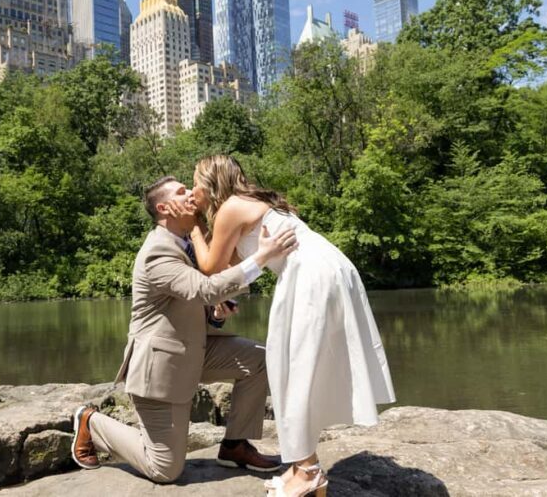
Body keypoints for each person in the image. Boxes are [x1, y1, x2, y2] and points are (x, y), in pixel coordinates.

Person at [182, 155, 396, 497]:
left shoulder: (231, 208)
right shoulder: (252, 202)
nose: (192, 188)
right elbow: (234, 266)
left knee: (293, 369)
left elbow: (209, 267)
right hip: (326, 267)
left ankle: (308, 471)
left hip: (308, 276)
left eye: (194, 180)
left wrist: (193, 223)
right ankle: (302, 466)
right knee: (297, 367)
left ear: (209, 182)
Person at [71, 176, 299, 484]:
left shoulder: (190, 243)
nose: (192, 194)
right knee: (165, 470)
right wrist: (262, 256)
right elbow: (205, 289)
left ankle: (235, 445)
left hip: (194, 349)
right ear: (165, 208)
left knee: (260, 360)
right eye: (182, 192)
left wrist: (216, 316)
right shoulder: (157, 252)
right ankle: (91, 422)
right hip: (161, 368)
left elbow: (196, 303)